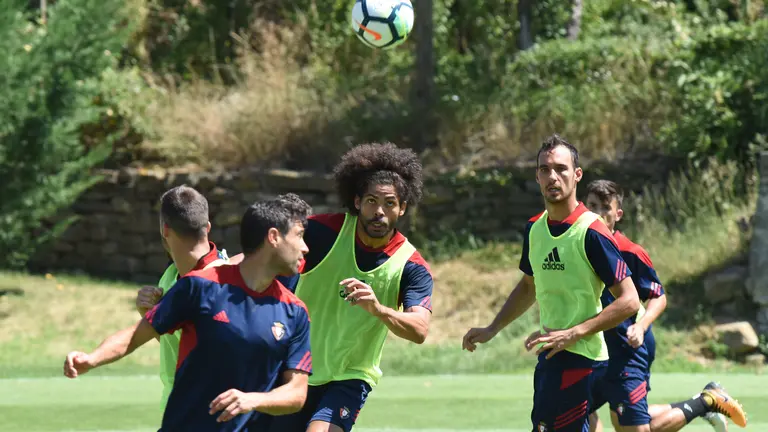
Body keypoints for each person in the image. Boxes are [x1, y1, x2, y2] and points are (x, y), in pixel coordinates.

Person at [64, 194, 314, 431]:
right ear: (273, 237)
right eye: (299, 236)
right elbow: (136, 335)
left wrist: (253, 400)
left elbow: (297, 392)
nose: (305, 248)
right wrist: (92, 358)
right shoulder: (200, 286)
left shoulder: (295, 312)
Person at [462, 134, 642, 432]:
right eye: (545, 169)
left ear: (577, 175)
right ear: (536, 176)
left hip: (580, 357)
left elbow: (630, 301)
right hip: (553, 352)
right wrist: (492, 328)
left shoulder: (592, 232)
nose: (552, 177)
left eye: (561, 169)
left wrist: (574, 332)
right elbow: (528, 286)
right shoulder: (535, 228)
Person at [252, 142, 433, 432]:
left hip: (350, 375)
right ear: (357, 201)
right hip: (296, 367)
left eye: (390, 203)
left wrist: (378, 309)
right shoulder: (323, 233)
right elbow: (271, 250)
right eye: (372, 201)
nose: (380, 212)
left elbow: (420, 329)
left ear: (403, 208)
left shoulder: (410, 265)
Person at [584, 180, 747, 432]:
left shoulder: (631, 252)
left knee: (631, 427)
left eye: (605, 208)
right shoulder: (579, 246)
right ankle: (703, 400)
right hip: (596, 351)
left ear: (618, 214)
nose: (598, 213)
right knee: (577, 412)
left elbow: (658, 296)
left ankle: (706, 402)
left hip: (629, 349)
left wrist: (640, 326)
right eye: (593, 206)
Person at [134, 185, 230, 408]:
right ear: (207, 227)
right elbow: (178, 344)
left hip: (207, 410)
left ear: (165, 230)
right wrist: (152, 317)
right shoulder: (170, 276)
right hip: (177, 405)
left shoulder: (225, 281)